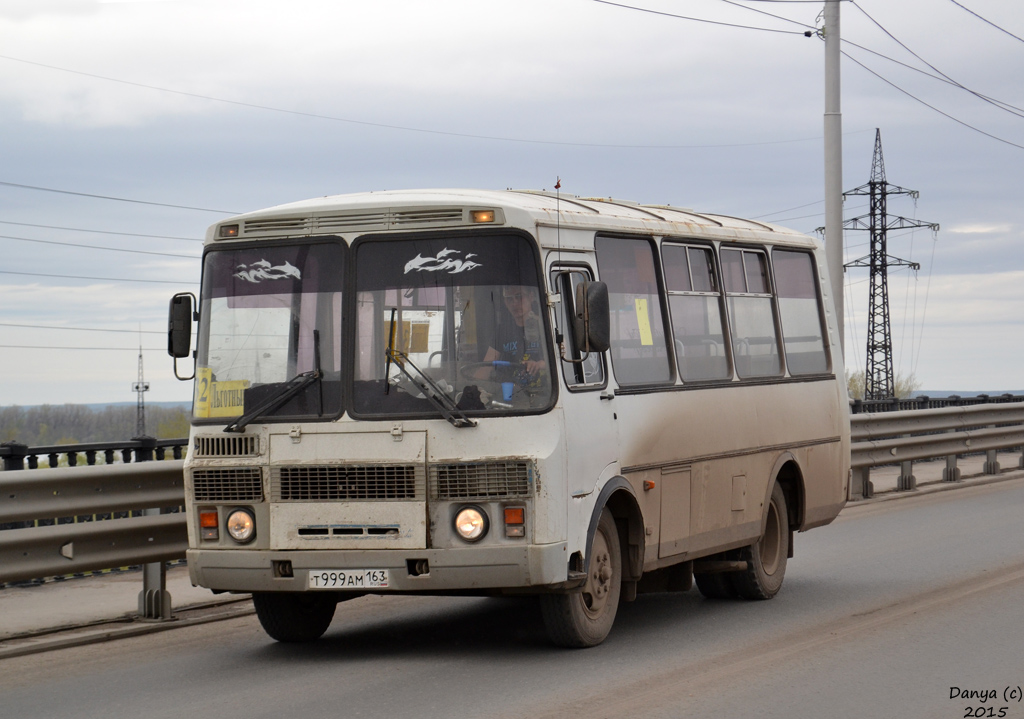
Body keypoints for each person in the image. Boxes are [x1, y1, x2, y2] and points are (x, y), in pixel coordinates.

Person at [479, 285, 548, 389]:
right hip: (511, 395)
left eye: (519, 296)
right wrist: (472, 386)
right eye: (509, 298)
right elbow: (487, 366)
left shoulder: (546, 327)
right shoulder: (502, 331)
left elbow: (561, 361)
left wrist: (539, 365)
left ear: (531, 297)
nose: (514, 303)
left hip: (545, 396)